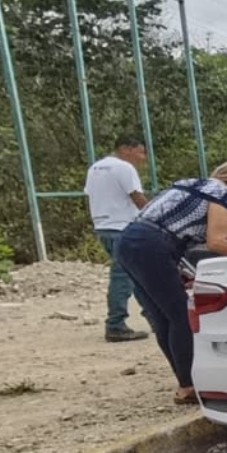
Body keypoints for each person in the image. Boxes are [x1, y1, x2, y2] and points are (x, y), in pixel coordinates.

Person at [115, 158, 227, 405]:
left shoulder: (195, 185)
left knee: (162, 317)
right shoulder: (222, 194)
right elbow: (216, 241)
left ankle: (185, 383)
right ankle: (189, 385)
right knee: (181, 317)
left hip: (130, 240)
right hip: (153, 246)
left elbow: (170, 224)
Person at [84, 136, 150, 342]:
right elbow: (137, 197)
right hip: (122, 227)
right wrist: (154, 215)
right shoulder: (124, 168)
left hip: (104, 226)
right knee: (123, 277)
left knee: (137, 274)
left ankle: (154, 315)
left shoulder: (96, 168)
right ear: (126, 149)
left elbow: (91, 195)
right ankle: (115, 324)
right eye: (140, 152)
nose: (142, 158)